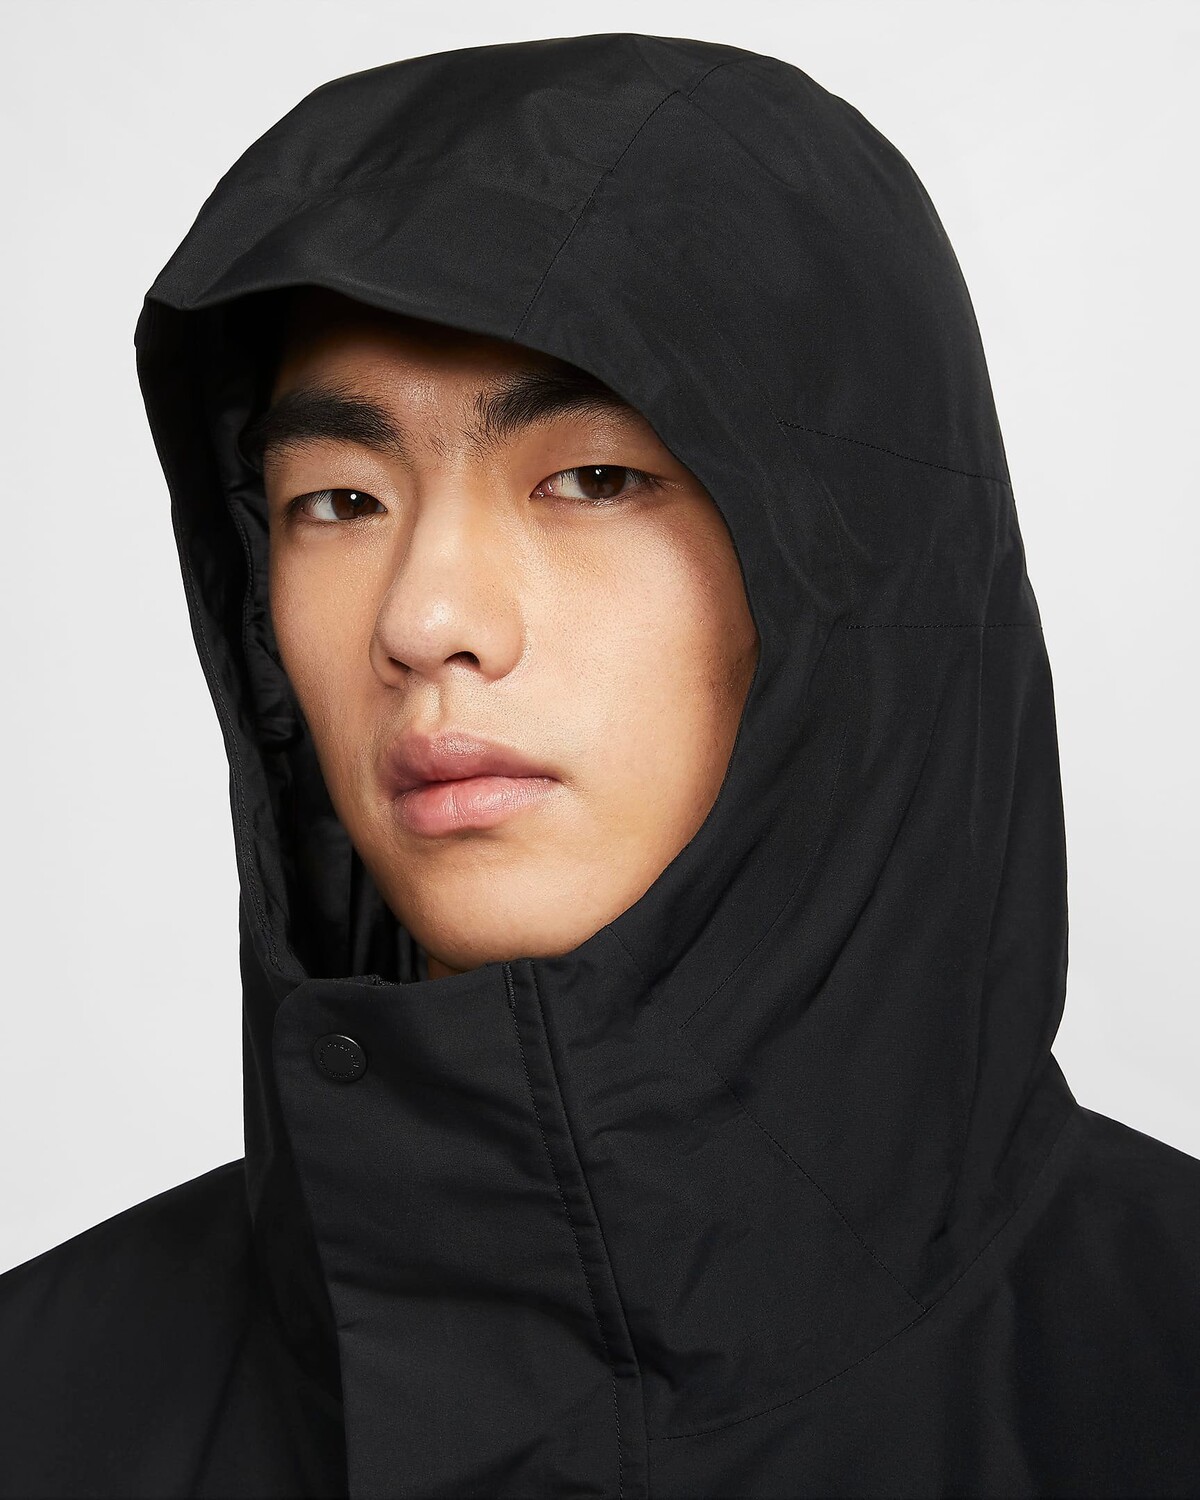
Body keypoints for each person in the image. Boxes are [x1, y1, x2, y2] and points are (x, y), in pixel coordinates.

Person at [1, 30, 1196, 1500]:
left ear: (850, 568)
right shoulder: (41, 1409)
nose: (423, 619)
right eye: (340, 500)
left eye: (592, 479)